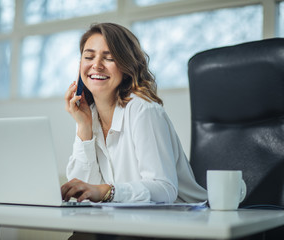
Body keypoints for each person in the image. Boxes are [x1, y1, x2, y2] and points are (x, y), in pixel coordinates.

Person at [61, 22, 207, 204]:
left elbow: (164, 189)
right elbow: (85, 194)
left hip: (185, 221)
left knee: (83, 235)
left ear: (126, 66)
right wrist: (84, 127)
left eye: (109, 58)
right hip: (127, 221)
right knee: (80, 234)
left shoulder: (144, 110)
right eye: (89, 57)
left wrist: (108, 191)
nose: (96, 65)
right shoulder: (89, 116)